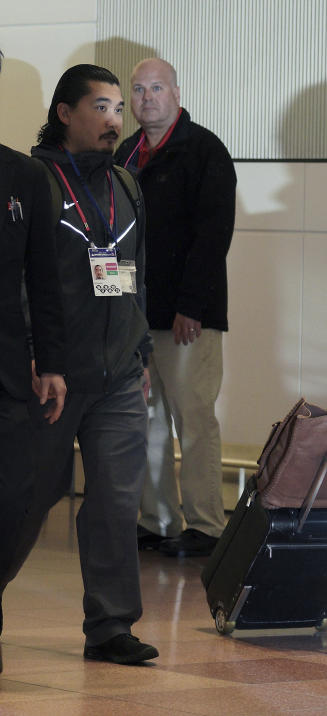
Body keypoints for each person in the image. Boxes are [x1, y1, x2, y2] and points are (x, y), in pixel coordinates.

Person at [4, 64, 158, 665]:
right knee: (27, 501)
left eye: (119, 108)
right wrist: (36, 355)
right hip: (52, 375)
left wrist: (141, 349)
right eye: (100, 107)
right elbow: (21, 281)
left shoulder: (127, 184)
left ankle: (111, 626)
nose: (115, 119)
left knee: (118, 503)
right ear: (65, 113)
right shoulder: (33, 180)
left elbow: (134, 277)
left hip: (118, 373)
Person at [117, 58, 236, 558]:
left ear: (177, 93)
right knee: (146, 421)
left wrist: (192, 304)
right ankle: (158, 520)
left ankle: (206, 526)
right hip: (136, 315)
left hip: (189, 317)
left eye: (157, 88)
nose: (147, 98)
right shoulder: (124, 155)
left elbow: (213, 236)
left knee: (193, 419)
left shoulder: (204, 150)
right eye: (138, 90)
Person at [0, 48, 68, 673]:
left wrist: (51, 361)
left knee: (16, 501)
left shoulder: (22, 177)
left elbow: (44, 279)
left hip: (8, 372)